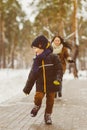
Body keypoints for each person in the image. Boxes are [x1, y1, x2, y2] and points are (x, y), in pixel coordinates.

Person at [23, 35, 63, 125]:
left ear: (42, 47)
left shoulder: (53, 57)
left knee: (50, 101)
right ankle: (37, 106)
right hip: (40, 84)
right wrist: (27, 88)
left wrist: (58, 78)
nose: (35, 51)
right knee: (38, 97)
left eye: (36, 48)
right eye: (34, 49)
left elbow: (59, 69)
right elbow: (32, 75)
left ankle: (47, 115)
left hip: (52, 84)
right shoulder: (37, 60)